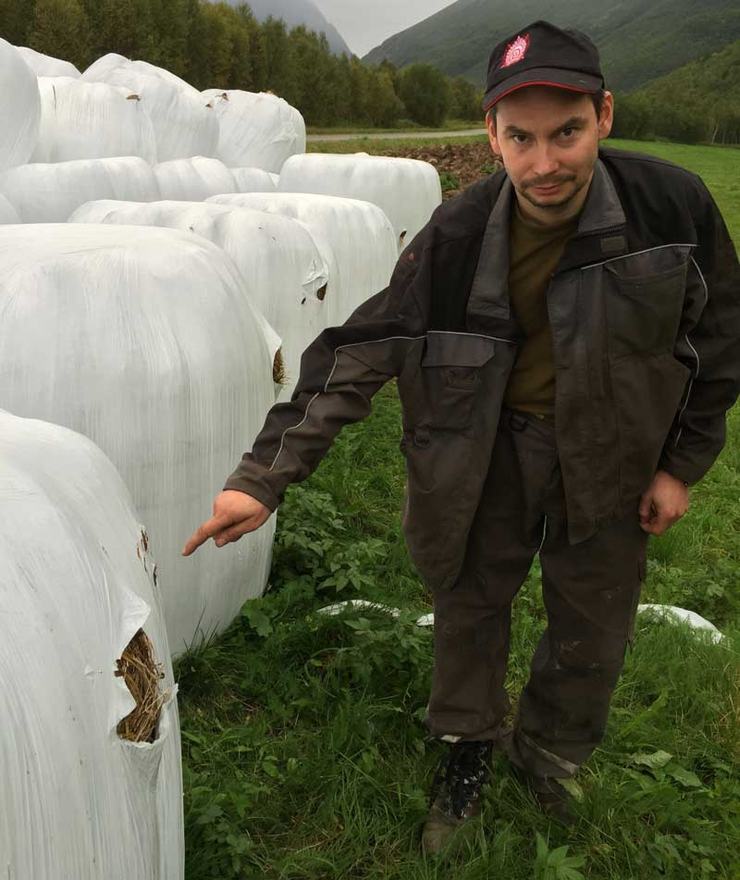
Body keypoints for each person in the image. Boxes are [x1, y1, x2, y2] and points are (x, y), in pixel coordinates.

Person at [182, 20, 740, 856]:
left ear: (605, 115)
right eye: (520, 138)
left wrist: (681, 463)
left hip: (614, 455)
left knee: (594, 616)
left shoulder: (672, 208)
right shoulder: (457, 236)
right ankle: (468, 746)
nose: (544, 163)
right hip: (489, 452)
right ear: (491, 133)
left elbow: (719, 338)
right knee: (470, 603)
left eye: (567, 133)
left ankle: (549, 753)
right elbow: (357, 353)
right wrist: (264, 478)